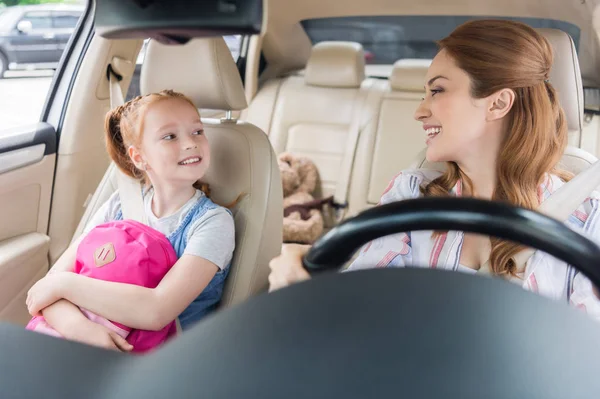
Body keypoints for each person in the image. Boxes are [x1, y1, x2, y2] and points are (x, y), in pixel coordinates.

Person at [268, 19, 600, 319]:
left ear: (498, 103)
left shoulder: (586, 218)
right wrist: (308, 291)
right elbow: (366, 307)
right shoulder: (411, 196)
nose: (420, 111)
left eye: (437, 91)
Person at [25, 89, 236, 350]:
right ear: (139, 157)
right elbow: (45, 290)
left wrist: (64, 286)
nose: (191, 143)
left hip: (163, 362)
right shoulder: (119, 205)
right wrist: (79, 329)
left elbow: (157, 310)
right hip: (82, 345)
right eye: (170, 136)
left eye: (197, 131)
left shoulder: (212, 223)